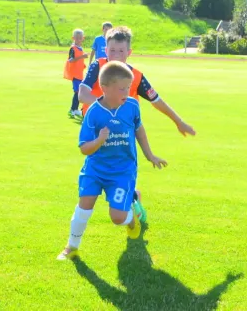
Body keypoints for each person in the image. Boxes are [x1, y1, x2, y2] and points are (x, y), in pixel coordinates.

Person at [79, 27, 197, 222]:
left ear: (129, 52)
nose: (116, 56)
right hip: (96, 131)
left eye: (121, 51)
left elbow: (157, 100)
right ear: (105, 50)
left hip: (124, 135)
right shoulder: (97, 67)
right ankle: (131, 197)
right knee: (98, 171)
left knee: (119, 169)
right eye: (112, 50)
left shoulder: (136, 77)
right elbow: (82, 94)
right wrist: (106, 108)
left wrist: (179, 121)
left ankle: (131, 199)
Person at [57, 60, 167, 261]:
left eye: (128, 88)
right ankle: (71, 247)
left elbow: (139, 129)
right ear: (105, 88)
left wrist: (150, 155)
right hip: (95, 169)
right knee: (84, 206)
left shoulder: (132, 106)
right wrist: (99, 140)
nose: (127, 92)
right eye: (122, 89)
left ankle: (132, 217)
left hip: (122, 171)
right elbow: (84, 148)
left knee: (117, 218)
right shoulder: (93, 112)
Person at [64, 29, 88, 118]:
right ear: (73, 38)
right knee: (77, 91)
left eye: (80, 38)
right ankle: (72, 109)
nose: (78, 40)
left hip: (79, 74)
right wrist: (82, 57)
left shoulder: (80, 48)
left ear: (83, 38)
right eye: (77, 38)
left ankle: (75, 109)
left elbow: (78, 61)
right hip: (75, 74)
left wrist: (83, 64)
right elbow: (71, 60)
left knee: (79, 92)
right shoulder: (73, 48)